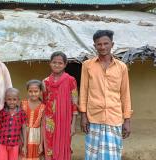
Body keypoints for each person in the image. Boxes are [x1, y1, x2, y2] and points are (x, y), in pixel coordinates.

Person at [79, 30, 133, 160]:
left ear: (112, 44)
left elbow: (125, 94)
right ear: (95, 46)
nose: (102, 47)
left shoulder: (121, 67)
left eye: (106, 43)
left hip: (114, 118)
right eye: (99, 44)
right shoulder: (87, 65)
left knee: (113, 156)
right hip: (94, 118)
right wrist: (83, 116)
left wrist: (127, 120)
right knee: (93, 155)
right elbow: (84, 91)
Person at [42, 51, 78, 160]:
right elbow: (43, 102)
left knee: (64, 145)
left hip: (65, 121)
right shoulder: (45, 82)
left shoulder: (71, 80)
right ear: (50, 63)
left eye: (60, 63)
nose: (57, 65)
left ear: (65, 64)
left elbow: (74, 103)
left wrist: (73, 125)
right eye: (54, 62)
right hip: (49, 121)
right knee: (49, 146)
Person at [0, 88, 27, 160]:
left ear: (18, 100)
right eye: (9, 99)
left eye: (14, 99)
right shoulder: (2, 112)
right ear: (5, 100)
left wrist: (25, 145)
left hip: (15, 144)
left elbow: (24, 128)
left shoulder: (21, 113)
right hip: (2, 143)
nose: (12, 102)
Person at [21, 80, 45, 160]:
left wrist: (41, 144)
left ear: (40, 92)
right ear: (27, 91)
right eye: (30, 91)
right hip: (24, 137)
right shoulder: (23, 103)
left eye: (36, 91)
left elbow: (42, 126)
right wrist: (20, 139)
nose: (33, 94)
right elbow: (19, 123)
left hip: (36, 137)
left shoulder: (43, 107)